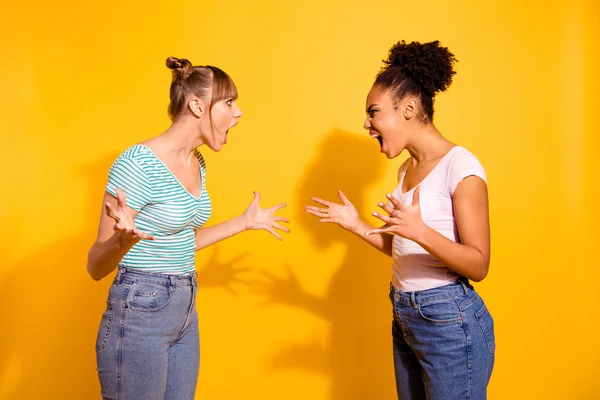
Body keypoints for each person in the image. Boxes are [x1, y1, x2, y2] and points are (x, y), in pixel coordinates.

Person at [87, 56, 290, 400]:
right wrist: (122, 242)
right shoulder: (138, 163)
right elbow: (95, 265)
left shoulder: (196, 162)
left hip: (183, 306)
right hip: (139, 309)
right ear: (197, 105)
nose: (238, 112)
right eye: (228, 102)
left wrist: (244, 222)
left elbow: (180, 240)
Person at [305, 40, 495, 399]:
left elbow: (478, 263)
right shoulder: (405, 170)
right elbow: (404, 247)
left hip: (449, 322)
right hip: (406, 316)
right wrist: (357, 224)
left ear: (407, 109)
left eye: (373, 112)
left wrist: (420, 231)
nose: (366, 123)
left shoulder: (462, 167)